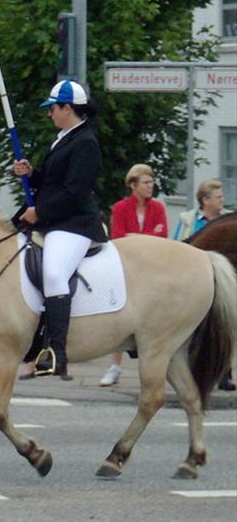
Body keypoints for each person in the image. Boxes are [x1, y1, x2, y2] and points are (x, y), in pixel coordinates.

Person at [12, 79, 106, 379]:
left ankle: (56, 353)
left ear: (68, 108)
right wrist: (32, 174)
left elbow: (75, 193)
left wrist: (38, 211)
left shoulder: (86, 143)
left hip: (75, 224)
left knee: (54, 273)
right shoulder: (65, 137)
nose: (49, 113)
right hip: (56, 219)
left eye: (53, 108)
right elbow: (55, 183)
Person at [101, 164, 168, 386]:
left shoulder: (158, 207)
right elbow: (119, 238)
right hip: (127, 267)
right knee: (122, 312)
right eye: (146, 183)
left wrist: (136, 237)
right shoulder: (120, 208)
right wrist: (149, 236)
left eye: (151, 182)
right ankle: (115, 366)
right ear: (133, 185)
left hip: (153, 267)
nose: (151, 187)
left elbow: (163, 236)